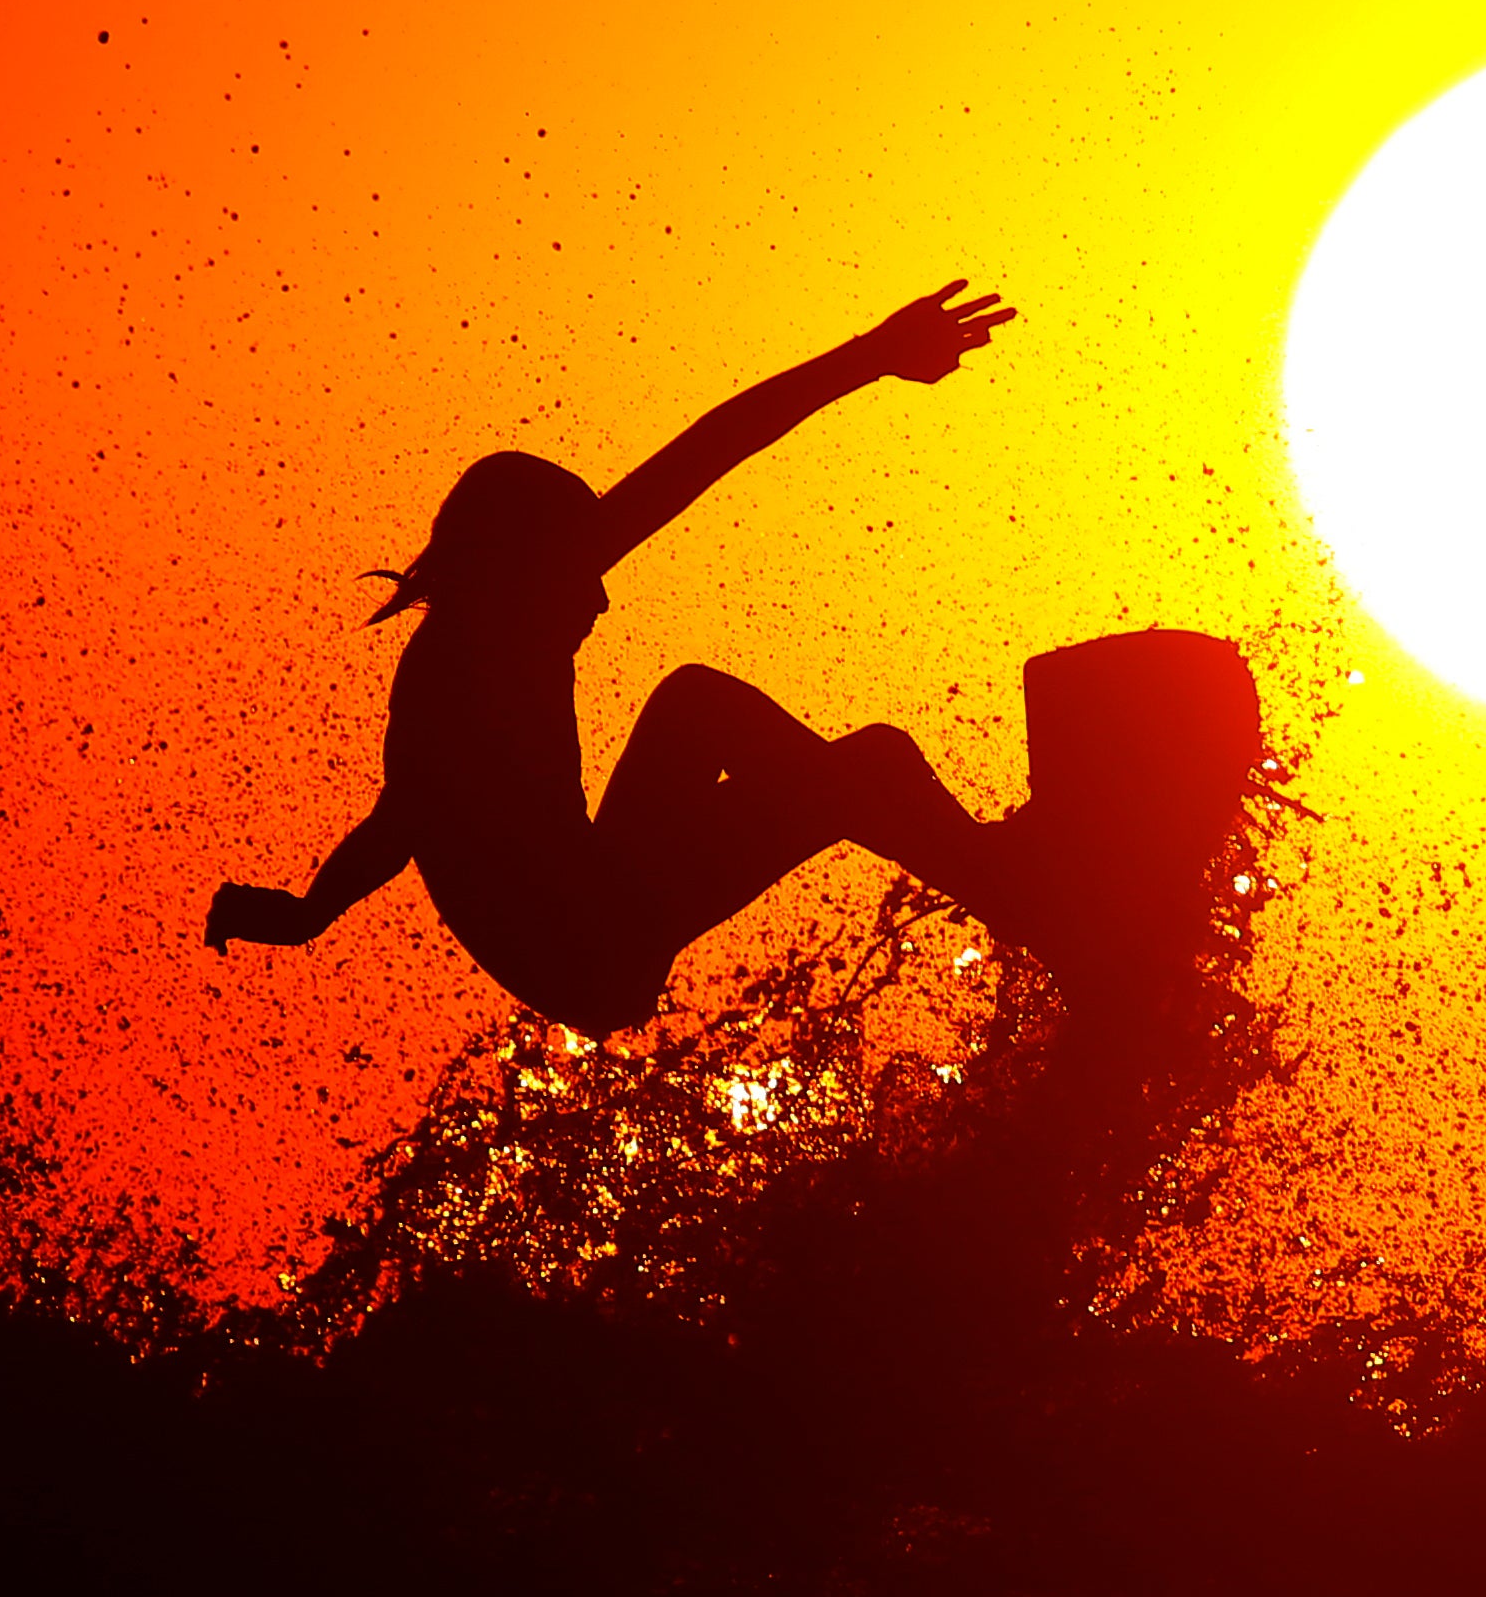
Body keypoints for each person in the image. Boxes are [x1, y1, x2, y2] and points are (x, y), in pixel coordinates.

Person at [206, 282, 1270, 1038]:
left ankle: (1041, 905)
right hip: (585, 942)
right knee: (760, 728)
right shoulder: (457, 683)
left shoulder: (515, 609)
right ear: (521, 573)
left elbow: (711, 449)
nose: (603, 592)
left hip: (595, 895)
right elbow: (405, 819)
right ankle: (1056, 915)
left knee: (866, 762)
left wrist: (872, 356)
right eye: (580, 578)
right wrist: (307, 914)